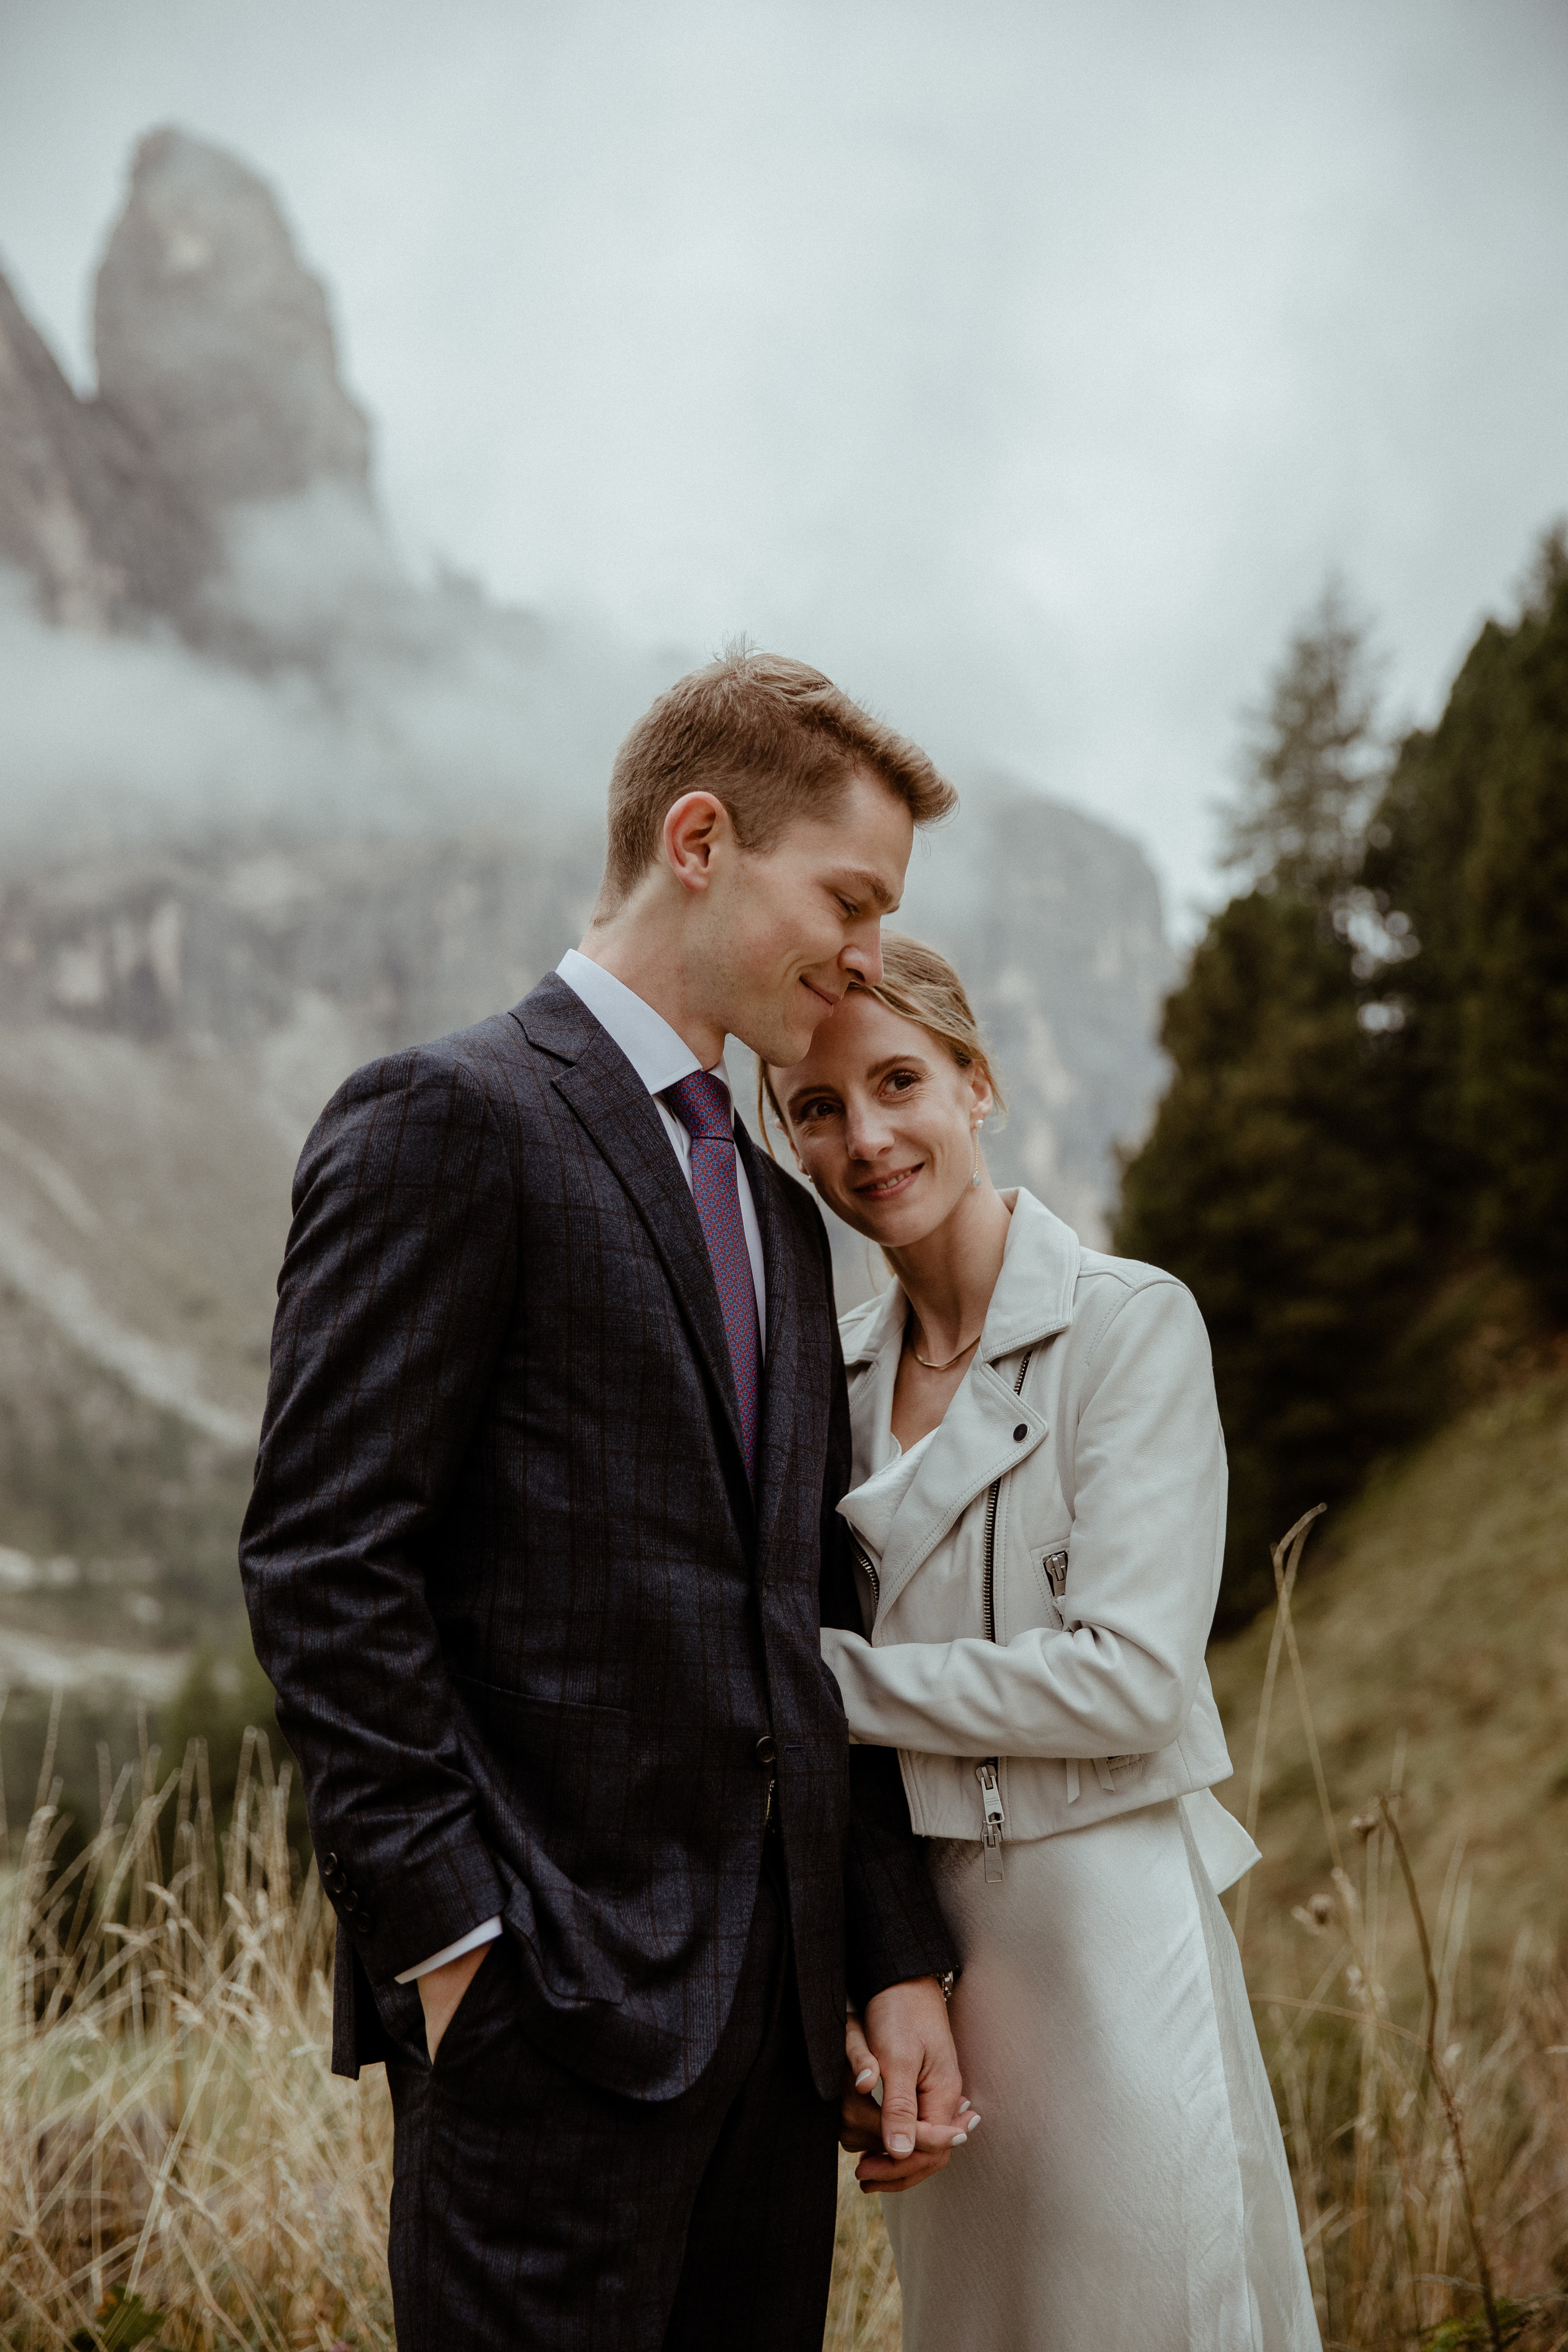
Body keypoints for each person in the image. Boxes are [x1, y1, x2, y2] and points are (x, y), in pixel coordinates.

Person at [239, 653, 975, 2352]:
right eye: (849, 896)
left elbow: (812, 1620)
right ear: (700, 839)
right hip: (540, 2027)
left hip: (778, 2064)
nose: (871, 954)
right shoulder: (448, 1117)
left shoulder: (791, 1224)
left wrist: (886, 1952)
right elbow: (323, 1564)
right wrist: (459, 1953)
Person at [764, 933, 1322, 2352]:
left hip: (1104, 1915)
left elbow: (1131, 1679)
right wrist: (867, 1968)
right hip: (938, 1953)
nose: (867, 1139)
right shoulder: (814, 1378)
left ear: (978, 1085)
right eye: (817, 1109)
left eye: (899, 1082)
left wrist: (821, 1683)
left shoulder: (1128, 1325)